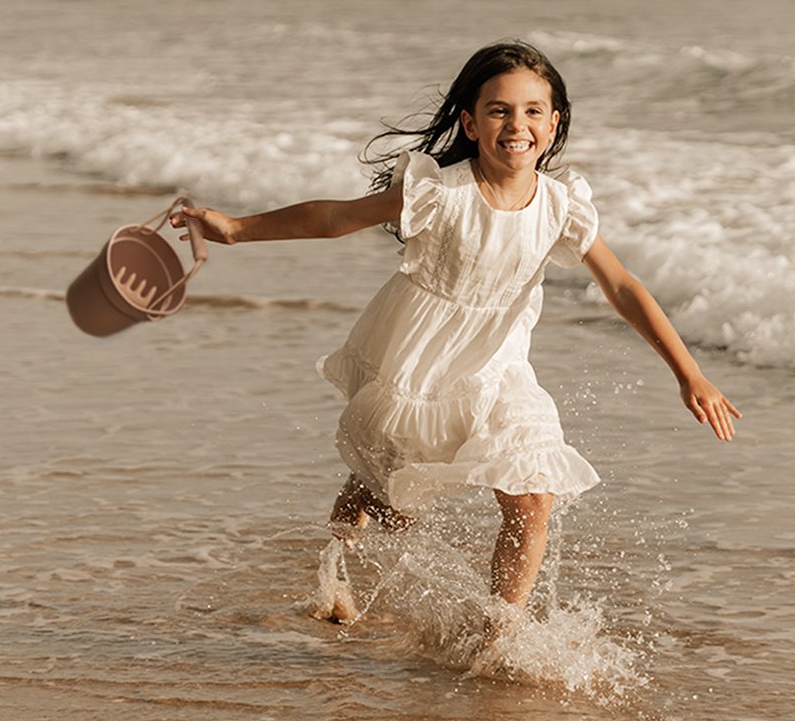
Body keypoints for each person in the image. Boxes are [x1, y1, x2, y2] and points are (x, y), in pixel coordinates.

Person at [171, 40, 740, 626]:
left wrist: (689, 374)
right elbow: (335, 218)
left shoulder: (562, 207)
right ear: (469, 122)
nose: (516, 124)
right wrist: (236, 229)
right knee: (390, 498)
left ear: (554, 122)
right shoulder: (440, 193)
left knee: (532, 493)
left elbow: (622, 287)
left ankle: (501, 629)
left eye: (532, 111)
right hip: (419, 364)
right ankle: (337, 558)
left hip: (501, 369)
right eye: (498, 110)